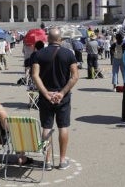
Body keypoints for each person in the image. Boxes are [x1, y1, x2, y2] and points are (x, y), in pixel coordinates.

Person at [31, 27, 79, 170]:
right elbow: (75, 76)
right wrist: (62, 93)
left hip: (46, 96)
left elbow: (34, 75)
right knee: (63, 127)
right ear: (60, 39)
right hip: (62, 97)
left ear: (47, 39)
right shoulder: (68, 54)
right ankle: (62, 160)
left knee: (47, 127)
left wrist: (46, 93)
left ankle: (48, 161)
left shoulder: (38, 54)